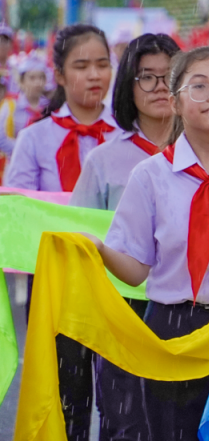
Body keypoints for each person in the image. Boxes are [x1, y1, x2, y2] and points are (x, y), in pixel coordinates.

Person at [85, 46, 209, 441]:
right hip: (176, 329)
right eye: (199, 86)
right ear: (175, 100)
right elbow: (135, 269)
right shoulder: (150, 177)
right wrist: (96, 249)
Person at [5, 24, 121, 441]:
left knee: (120, 395)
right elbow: (19, 209)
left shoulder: (131, 137)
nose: (94, 75)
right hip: (57, 280)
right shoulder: (36, 138)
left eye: (103, 65)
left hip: (120, 279)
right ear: (58, 74)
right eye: (82, 65)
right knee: (66, 393)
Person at [70, 32, 180, 441]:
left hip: (191, 310)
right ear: (127, 87)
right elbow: (80, 235)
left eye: (169, 76)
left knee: (184, 423)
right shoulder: (104, 160)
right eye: (146, 77)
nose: (159, 87)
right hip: (122, 310)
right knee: (126, 422)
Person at [0, 55, 50, 165]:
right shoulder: (11, 106)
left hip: (43, 164)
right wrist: (25, 150)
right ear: (21, 82)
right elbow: (1, 138)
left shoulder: (49, 107)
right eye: (32, 78)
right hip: (17, 163)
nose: (38, 82)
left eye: (41, 78)